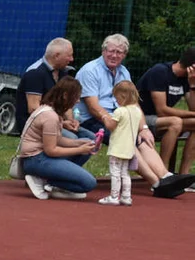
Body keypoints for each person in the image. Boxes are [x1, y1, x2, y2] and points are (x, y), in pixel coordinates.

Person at [19, 77, 98, 200]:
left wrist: (78, 143)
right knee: (89, 183)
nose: (77, 101)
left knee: (87, 142)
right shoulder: (50, 116)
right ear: (65, 95)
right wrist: (80, 149)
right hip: (35, 159)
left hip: (37, 157)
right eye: (76, 97)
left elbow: (57, 139)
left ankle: (52, 182)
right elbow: (51, 150)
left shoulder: (51, 111)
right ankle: (45, 181)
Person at [136, 47, 195, 177]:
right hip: (142, 119)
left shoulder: (187, 78)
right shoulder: (160, 72)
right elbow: (162, 110)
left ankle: (184, 175)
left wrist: (192, 85)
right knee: (175, 122)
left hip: (160, 120)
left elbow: (193, 108)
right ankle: (163, 172)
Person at [15, 37, 88, 138]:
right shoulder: (35, 73)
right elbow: (33, 109)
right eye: (69, 55)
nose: (72, 59)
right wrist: (61, 124)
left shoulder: (63, 73)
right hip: (34, 126)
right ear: (56, 56)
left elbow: (66, 104)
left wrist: (70, 122)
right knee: (73, 139)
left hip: (56, 122)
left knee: (90, 138)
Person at [72, 34, 132, 141]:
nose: (114, 55)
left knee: (142, 137)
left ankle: (154, 159)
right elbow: (93, 108)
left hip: (115, 117)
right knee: (126, 139)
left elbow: (131, 103)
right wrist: (113, 123)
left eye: (119, 52)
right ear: (103, 51)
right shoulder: (90, 71)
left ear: (124, 55)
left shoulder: (124, 72)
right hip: (90, 119)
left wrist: (144, 128)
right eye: (111, 51)